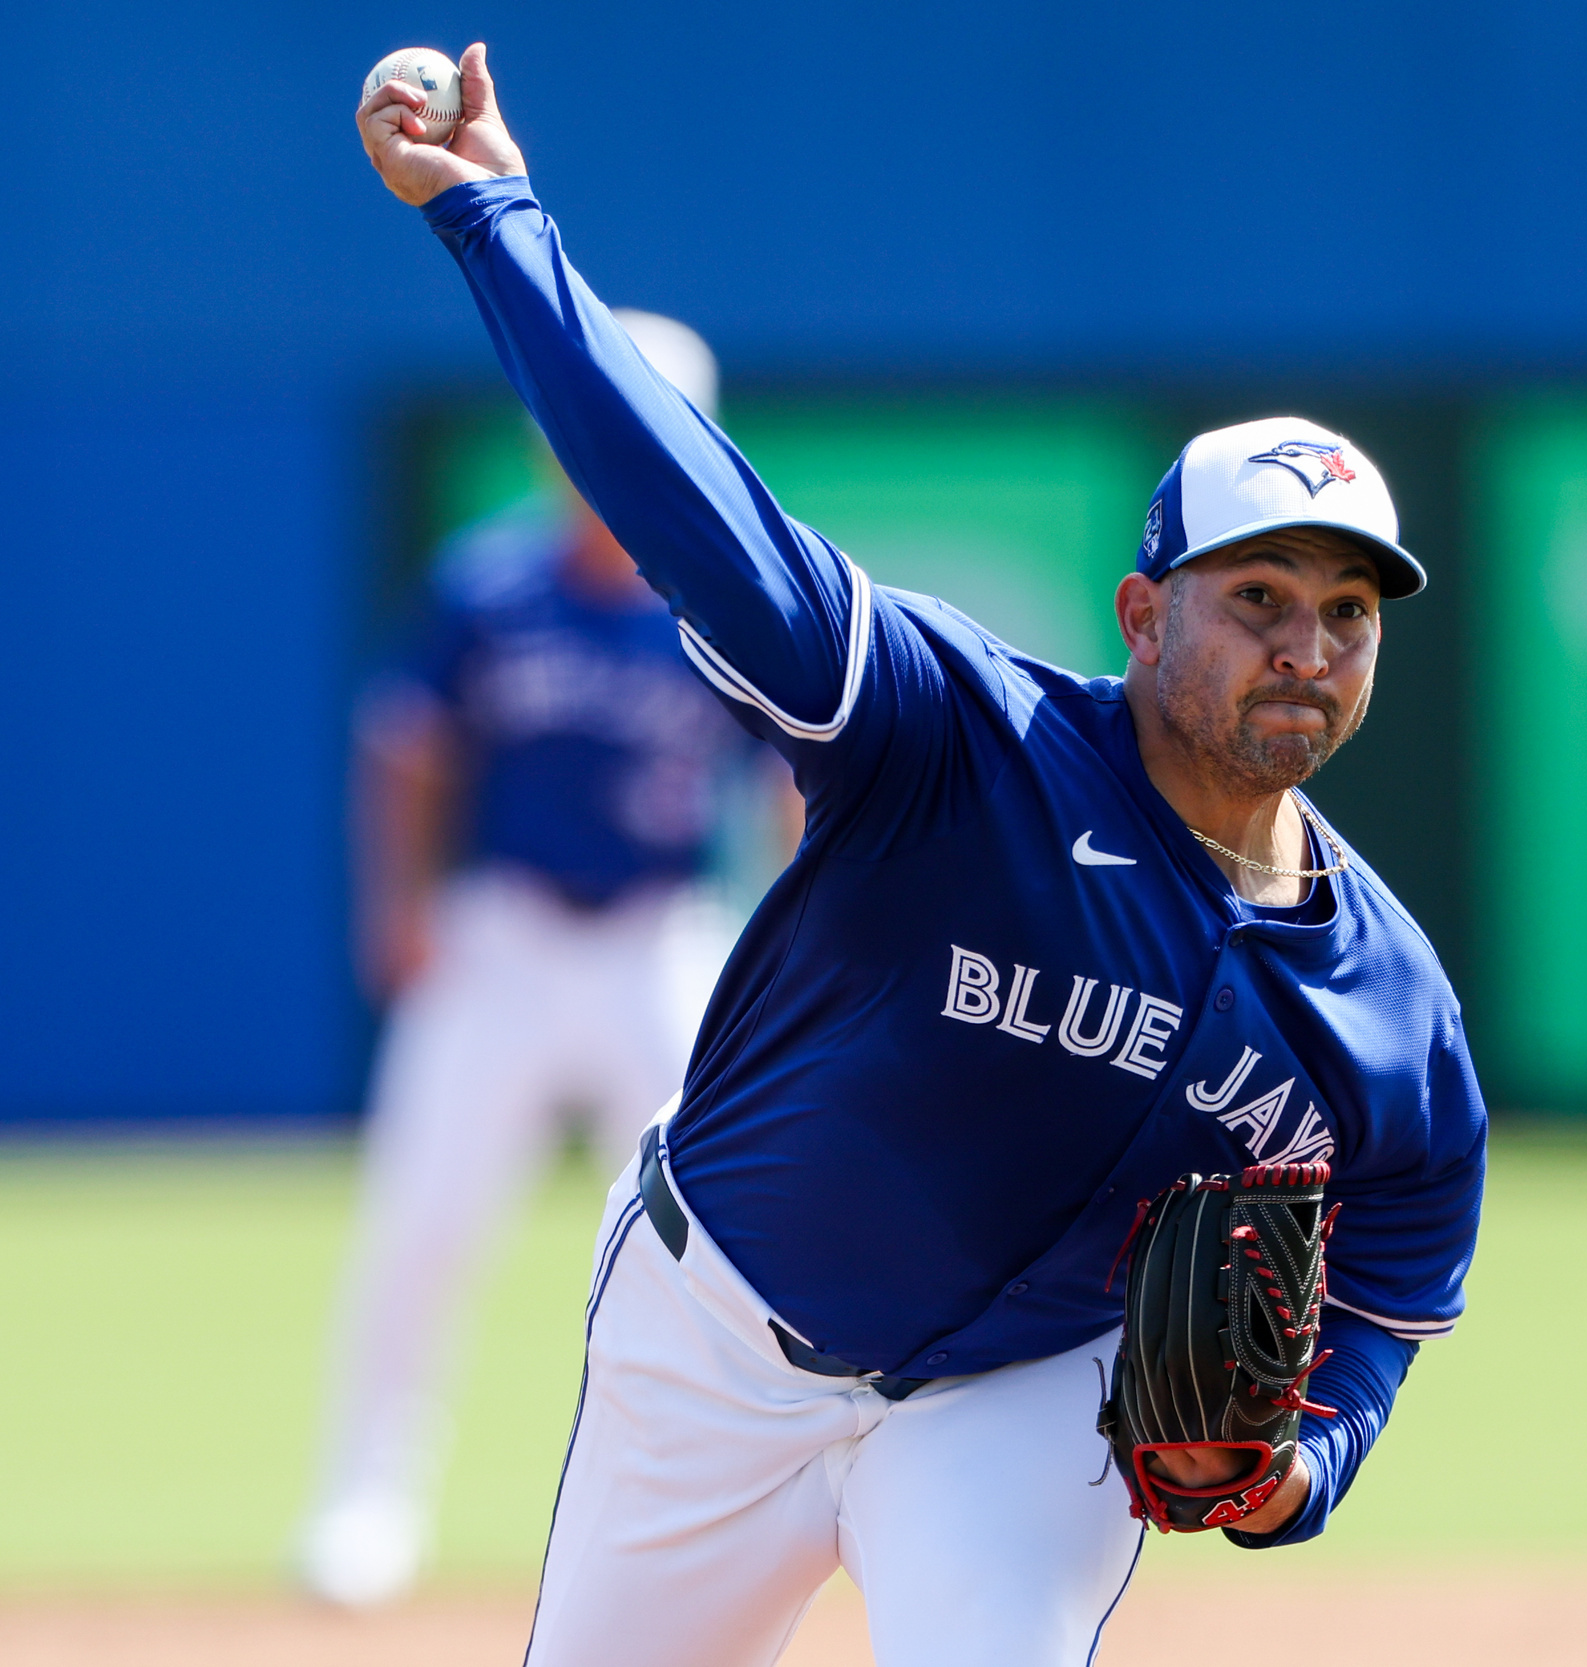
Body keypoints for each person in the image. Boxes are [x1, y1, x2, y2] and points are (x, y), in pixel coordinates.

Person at [355, 45, 1487, 1666]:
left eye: (1347, 614)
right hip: (717, 1340)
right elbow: (705, 528)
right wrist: (490, 216)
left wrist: (1304, 1463)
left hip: (1024, 1405)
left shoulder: (1386, 1002)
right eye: (1259, 598)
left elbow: (1399, 1255)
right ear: (1145, 614)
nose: (1306, 645)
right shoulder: (958, 733)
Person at [297, 308, 795, 1607]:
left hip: (660, 944)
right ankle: (367, 1505)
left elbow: (797, 784)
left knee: (730, 1246)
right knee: (422, 1229)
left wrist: (803, 937)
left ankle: (748, 1507)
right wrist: (397, 899)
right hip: (503, 942)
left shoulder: (732, 604)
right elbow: (406, 744)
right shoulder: (491, 585)